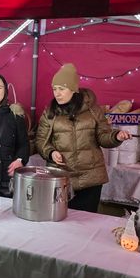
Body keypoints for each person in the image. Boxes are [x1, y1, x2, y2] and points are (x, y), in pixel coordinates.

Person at [35, 63, 132, 213]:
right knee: (60, 219)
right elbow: (41, 140)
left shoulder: (92, 109)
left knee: (87, 221)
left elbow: (103, 136)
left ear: (73, 89)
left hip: (91, 177)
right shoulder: (50, 112)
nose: (57, 93)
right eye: (54, 89)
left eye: (61, 89)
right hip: (61, 177)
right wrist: (51, 152)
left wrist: (116, 136)